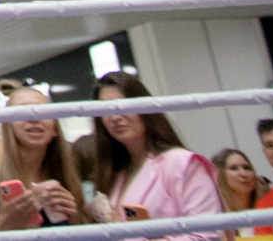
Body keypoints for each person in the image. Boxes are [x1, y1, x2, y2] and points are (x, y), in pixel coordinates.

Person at [85, 76, 215, 233]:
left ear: (144, 107)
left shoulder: (181, 162)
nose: (114, 117)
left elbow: (207, 234)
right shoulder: (114, 172)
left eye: (121, 105)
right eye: (105, 110)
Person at [0, 87, 90, 231]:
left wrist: (74, 217)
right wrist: (6, 223)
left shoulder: (65, 172)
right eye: (23, 112)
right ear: (8, 125)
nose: (34, 119)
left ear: (55, 128)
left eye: (43, 112)